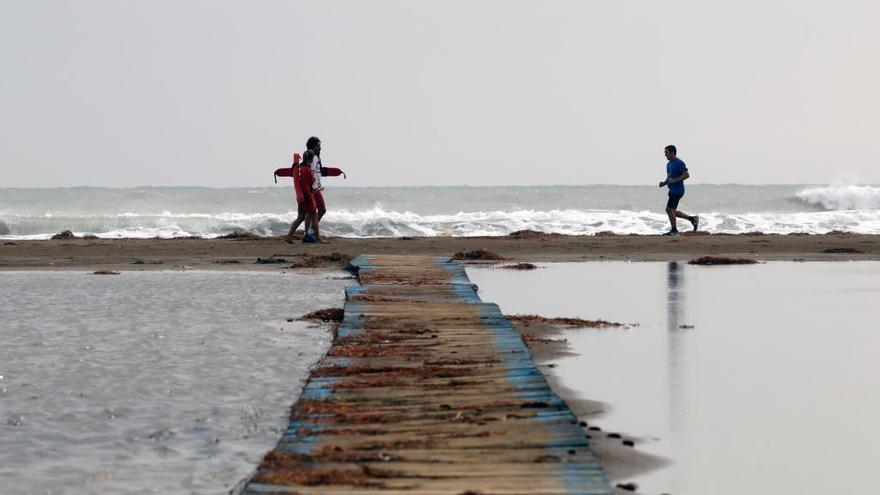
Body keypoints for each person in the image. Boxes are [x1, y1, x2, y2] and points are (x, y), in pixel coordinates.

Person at [658, 145, 699, 236]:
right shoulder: (668, 165)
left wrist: (675, 180)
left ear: (672, 153)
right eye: (665, 153)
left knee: (669, 210)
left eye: (667, 152)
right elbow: (669, 178)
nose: (665, 155)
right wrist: (663, 183)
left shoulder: (679, 163)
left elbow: (686, 175)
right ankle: (692, 219)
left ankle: (674, 230)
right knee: (672, 211)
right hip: (672, 190)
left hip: (678, 191)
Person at [289, 150, 326, 244]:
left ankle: (288, 237)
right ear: (311, 159)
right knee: (314, 218)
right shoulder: (308, 170)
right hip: (308, 197)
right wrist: (318, 189)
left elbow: (303, 184)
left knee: (301, 217)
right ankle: (318, 239)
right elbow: (311, 186)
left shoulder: (300, 168)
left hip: (302, 197)